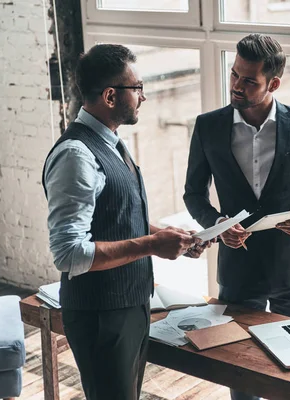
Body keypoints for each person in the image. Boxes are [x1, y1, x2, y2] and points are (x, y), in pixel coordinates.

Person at [42, 44, 209, 400]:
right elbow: (69, 253)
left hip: (129, 306)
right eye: (138, 88)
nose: (144, 97)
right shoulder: (76, 155)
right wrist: (152, 245)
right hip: (101, 316)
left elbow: (118, 217)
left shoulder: (112, 142)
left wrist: (168, 235)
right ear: (110, 96)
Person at [184, 34, 290, 400]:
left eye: (249, 80)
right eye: (235, 74)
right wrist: (219, 228)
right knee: (241, 371)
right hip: (238, 270)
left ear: (274, 83)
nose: (237, 85)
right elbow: (193, 194)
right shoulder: (208, 126)